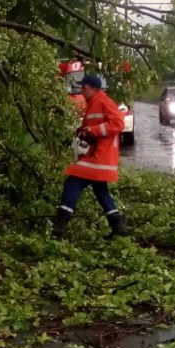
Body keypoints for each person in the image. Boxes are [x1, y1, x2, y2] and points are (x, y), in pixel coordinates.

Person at [52, 73, 129, 238]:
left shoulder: (103, 102)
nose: (82, 91)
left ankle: (60, 225)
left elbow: (118, 123)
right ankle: (118, 225)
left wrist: (93, 131)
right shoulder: (94, 103)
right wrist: (83, 131)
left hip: (98, 158)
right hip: (98, 158)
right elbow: (93, 128)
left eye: (84, 88)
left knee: (73, 182)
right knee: (101, 191)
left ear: (94, 89)